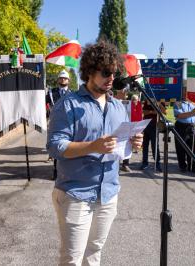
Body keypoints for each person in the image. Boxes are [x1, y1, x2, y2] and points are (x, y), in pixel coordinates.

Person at [47, 41, 143, 265]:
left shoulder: (119, 107)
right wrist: (92, 146)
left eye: (114, 72)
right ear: (90, 71)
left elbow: (121, 145)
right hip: (76, 193)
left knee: (94, 254)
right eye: (106, 72)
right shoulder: (68, 104)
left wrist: (134, 143)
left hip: (108, 193)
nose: (111, 77)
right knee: (72, 259)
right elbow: (54, 146)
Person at [46, 70, 71, 179]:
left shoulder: (73, 94)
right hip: (55, 124)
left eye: (65, 78)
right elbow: (42, 103)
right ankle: (56, 173)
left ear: (68, 81)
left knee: (68, 149)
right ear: (58, 80)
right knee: (57, 148)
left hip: (68, 125)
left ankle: (66, 172)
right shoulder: (51, 92)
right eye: (61, 78)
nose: (63, 80)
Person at [173, 96, 195, 172]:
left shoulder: (194, 103)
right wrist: (192, 113)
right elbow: (179, 115)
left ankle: (191, 166)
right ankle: (182, 166)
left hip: (192, 126)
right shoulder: (178, 103)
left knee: (192, 147)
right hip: (181, 127)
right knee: (180, 147)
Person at [140, 98, 166, 172]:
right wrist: (154, 111)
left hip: (155, 126)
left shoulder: (161, 101)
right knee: (145, 145)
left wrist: (160, 104)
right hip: (146, 124)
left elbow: (164, 112)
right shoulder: (147, 100)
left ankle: (157, 164)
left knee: (155, 146)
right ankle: (145, 163)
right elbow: (144, 112)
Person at [120, 94, 142, 172]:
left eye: (136, 100)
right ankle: (119, 163)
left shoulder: (138, 107)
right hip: (125, 127)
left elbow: (139, 117)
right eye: (134, 100)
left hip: (133, 128)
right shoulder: (128, 106)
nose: (135, 101)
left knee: (128, 146)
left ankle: (125, 164)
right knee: (121, 145)